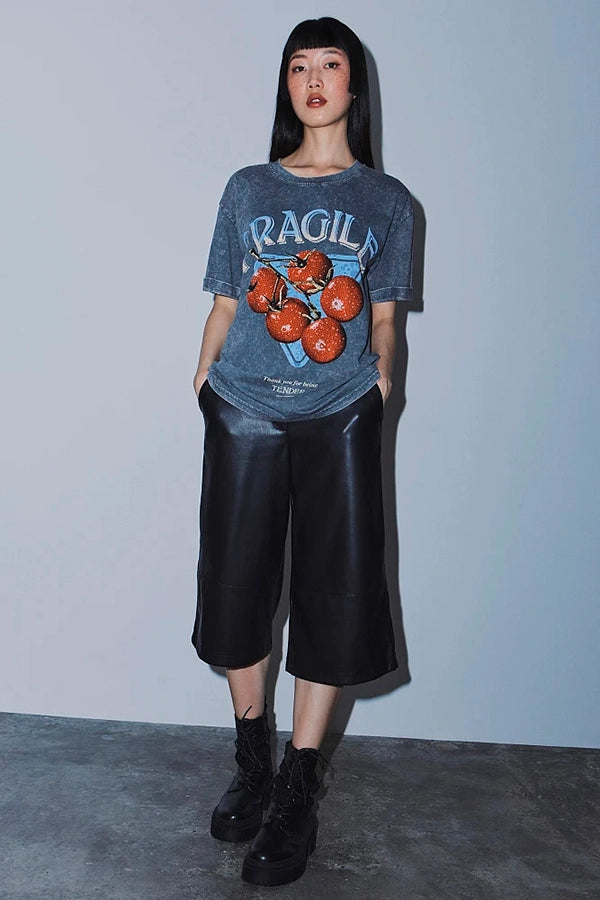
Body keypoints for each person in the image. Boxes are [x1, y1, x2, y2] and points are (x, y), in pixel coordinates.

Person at [191, 17, 414, 887]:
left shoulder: (388, 201)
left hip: (339, 412)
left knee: (334, 591)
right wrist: (204, 381)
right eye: (298, 66)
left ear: (355, 86)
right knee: (237, 587)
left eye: (330, 65)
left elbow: (384, 318)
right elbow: (225, 299)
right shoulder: (247, 187)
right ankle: (252, 758)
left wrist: (379, 383)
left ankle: (296, 788)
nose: (314, 80)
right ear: (286, 86)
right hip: (244, 407)